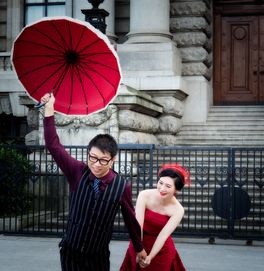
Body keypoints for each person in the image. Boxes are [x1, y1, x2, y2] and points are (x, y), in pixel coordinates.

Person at [40, 93, 147, 271]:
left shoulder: (122, 186)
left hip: (98, 257)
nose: (96, 165)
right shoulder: (77, 171)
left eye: (103, 160)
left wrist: (139, 248)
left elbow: (130, 220)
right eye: (93, 158)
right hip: (70, 251)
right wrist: (49, 109)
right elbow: (53, 146)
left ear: (113, 160)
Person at [119, 163, 191, 270]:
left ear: (177, 190)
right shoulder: (144, 195)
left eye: (168, 186)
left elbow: (163, 236)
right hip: (139, 242)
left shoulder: (178, 210)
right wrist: (139, 250)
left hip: (162, 250)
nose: (162, 188)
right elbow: (138, 226)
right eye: (160, 183)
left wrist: (150, 257)